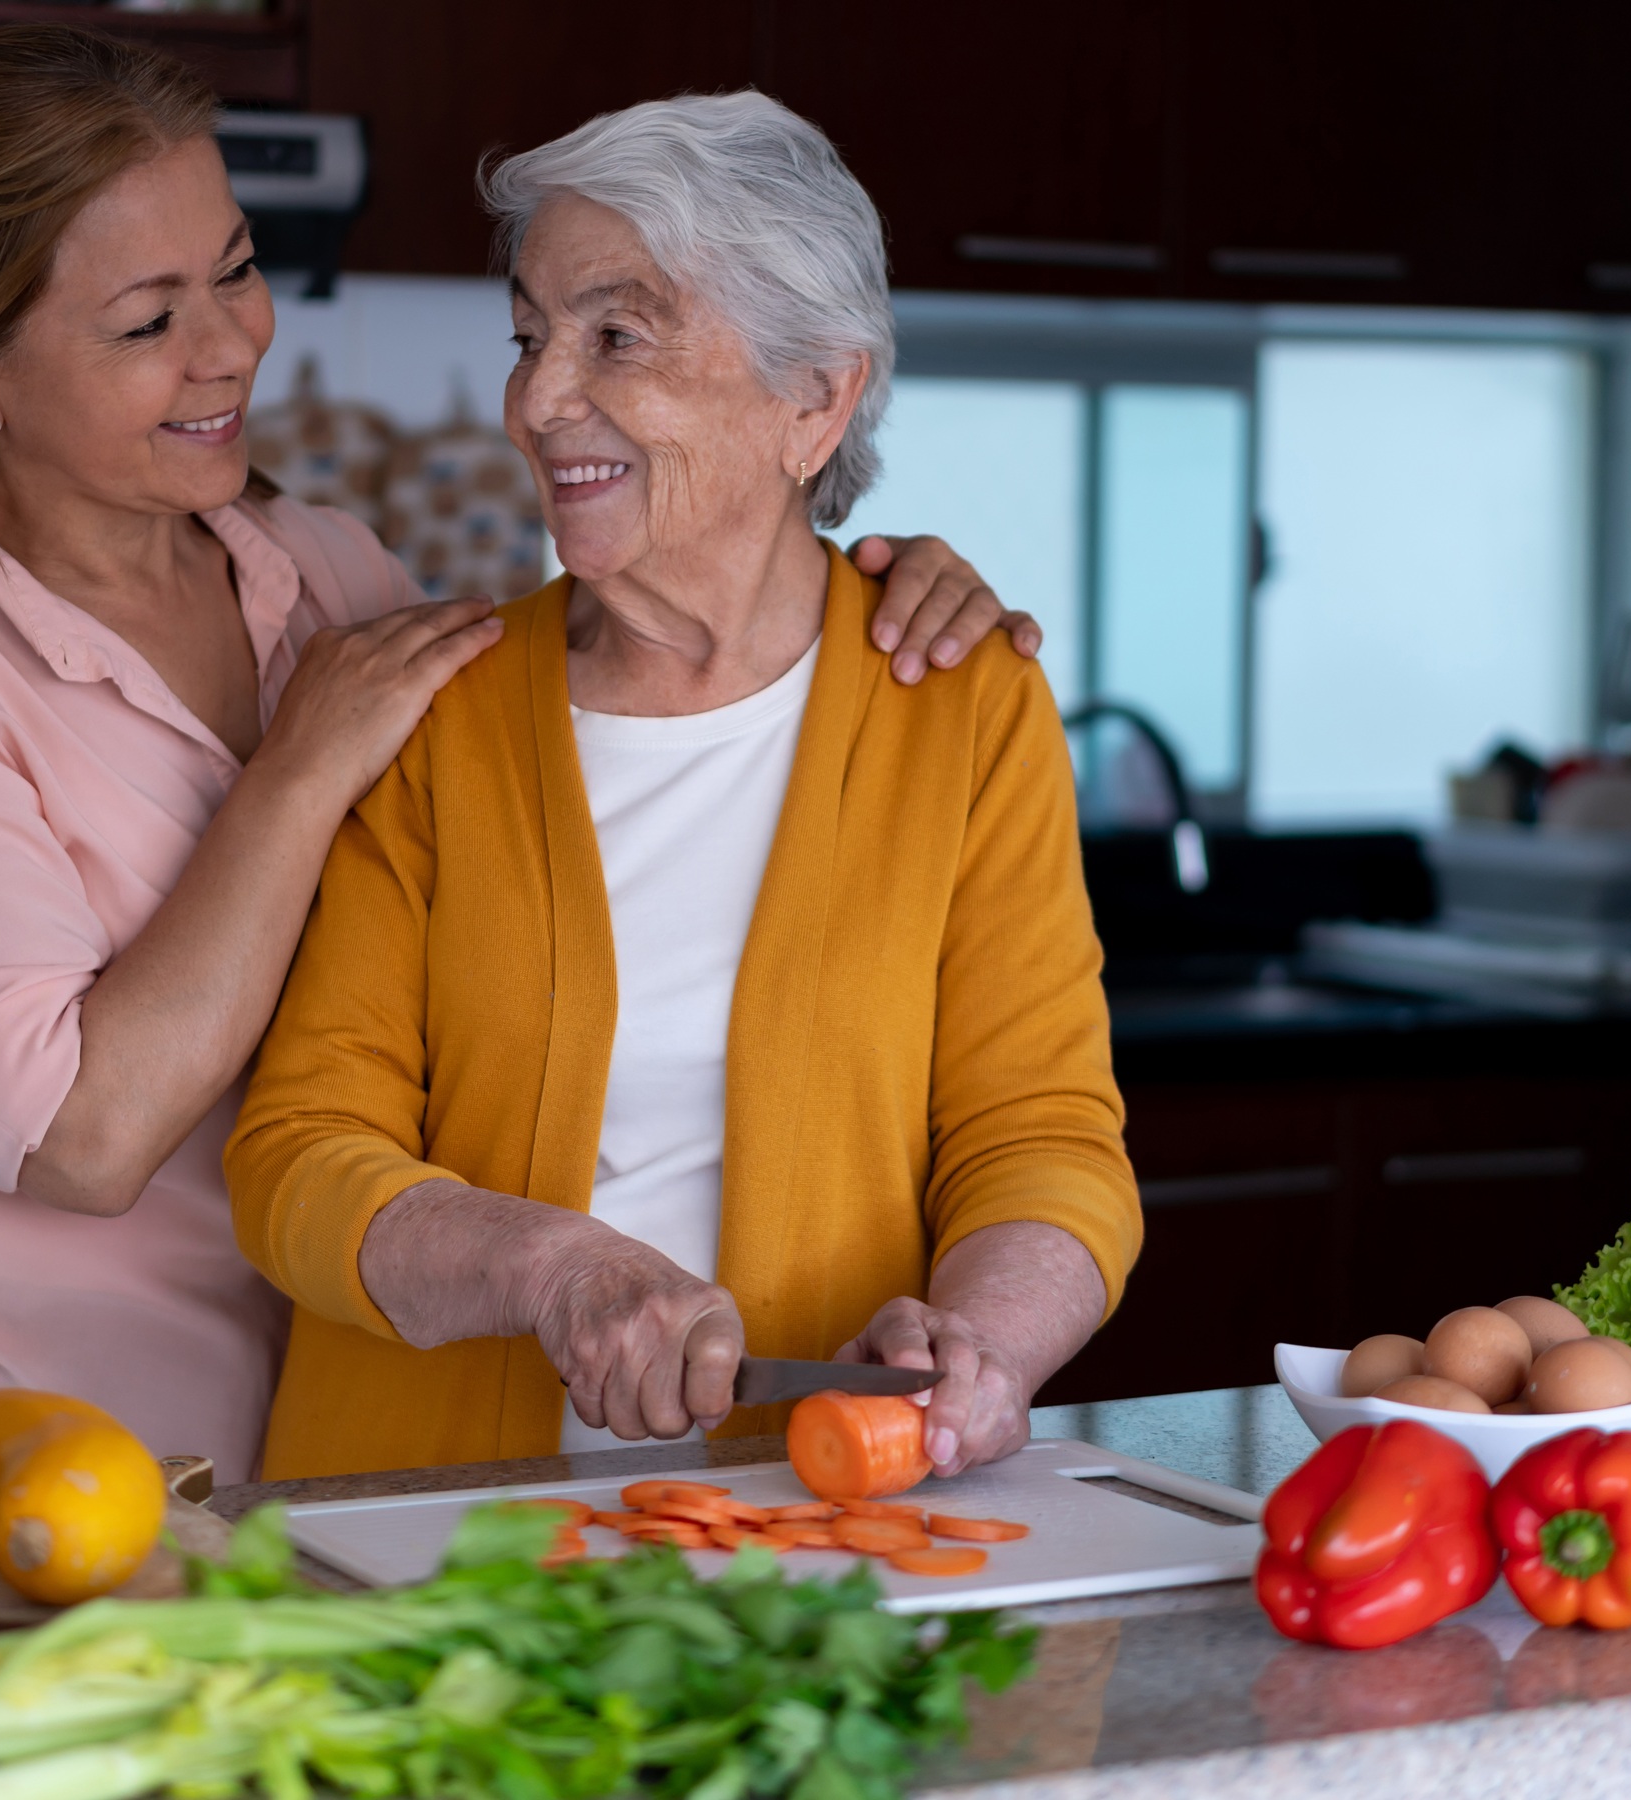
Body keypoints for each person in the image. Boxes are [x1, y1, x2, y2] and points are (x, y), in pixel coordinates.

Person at [0, 28, 1042, 1514]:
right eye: (150, 320)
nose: (230, 345)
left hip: (246, 1453)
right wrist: (294, 774)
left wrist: (893, 583)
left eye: (234, 268)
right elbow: (75, 1138)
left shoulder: (325, 575)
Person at [227, 92, 1141, 1482]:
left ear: (815, 397)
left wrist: (985, 1344)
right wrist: (551, 1268)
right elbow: (297, 1158)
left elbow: (1043, 1133)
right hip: (429, 1545)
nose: (537, 400)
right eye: (532, 336)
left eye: (617, 335)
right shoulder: (433, 712)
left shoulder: (963, 710)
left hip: (823, 1530)